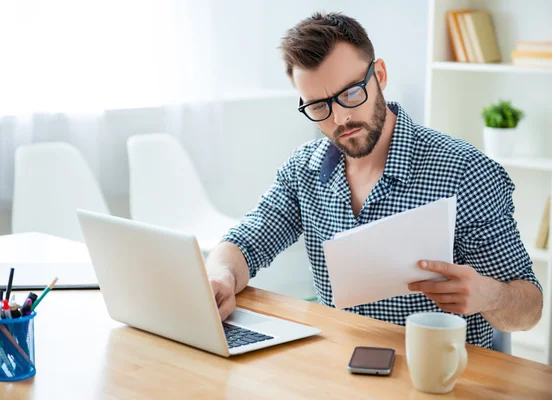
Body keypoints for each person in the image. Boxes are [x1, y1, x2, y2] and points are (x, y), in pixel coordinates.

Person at [205, 12, 542, 348]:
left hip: (437, 373)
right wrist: (221, 275)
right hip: (340, 367)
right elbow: (246, 240)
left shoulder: (465, 172)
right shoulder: (302, 170)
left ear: (379, 75)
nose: (340, 118)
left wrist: (491, 297)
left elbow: (529, 308)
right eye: (318, 107)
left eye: (351, 94)